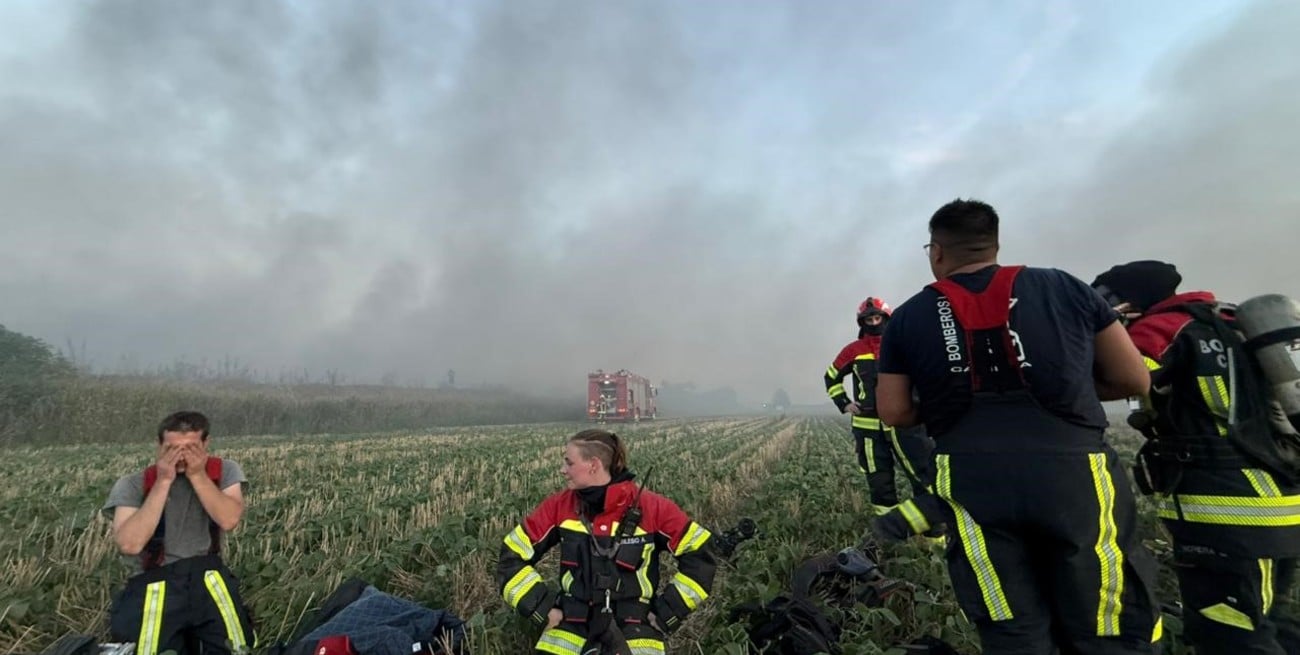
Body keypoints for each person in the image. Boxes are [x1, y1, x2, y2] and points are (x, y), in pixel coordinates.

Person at [873, 199, 1162, 654]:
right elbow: (1133, 378)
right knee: (1104, 623)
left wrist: (953, 399)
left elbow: (893, 412)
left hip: (971, 480)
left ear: (937, 253)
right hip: (1075, 475)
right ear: (994, 243)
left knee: (1011, 625)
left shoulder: (908, 317)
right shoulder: (1064, 287)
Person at [1092, 260, 1300, 654]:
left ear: (1124, 302)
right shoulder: (1230, 321)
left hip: (1227, 513)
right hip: (1278, 503)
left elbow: (1125, 376)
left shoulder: (1164, 328)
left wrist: (1098, 338)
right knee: (1269, 623)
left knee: (1230, 634)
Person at [497, 429, 716, 655]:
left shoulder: (654, 508)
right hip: (569, 629)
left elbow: (701, 558)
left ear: (593, 464)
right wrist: (542, 608)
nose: (563, 470)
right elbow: (511, 556)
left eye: (569, 463)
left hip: (636, 632)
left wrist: (667, 612)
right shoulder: (558, 507)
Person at [103, 411, 254, 655]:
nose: (181, 456)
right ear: (159, 446)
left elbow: (228, 519)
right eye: (172, 448)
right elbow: (130, 544)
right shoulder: (133, 483)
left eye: (191, 448)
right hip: (154, 583)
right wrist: (163, 482)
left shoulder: (224, 471)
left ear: (206, 444)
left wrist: (197, 474)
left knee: (237, 648)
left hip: (209, 577)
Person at [823, 296, 934, 510]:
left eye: (877, 318)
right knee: (878, 481)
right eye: (869, 320)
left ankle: (934, 536)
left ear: (886, 318)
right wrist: (844, 402)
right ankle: (888, 534)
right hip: (868, 429)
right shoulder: (853, 350)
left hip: (906, 425)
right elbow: (831, 377)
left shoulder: (905, 344)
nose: (874, 323)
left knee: (923, 476)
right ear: (862, 322)